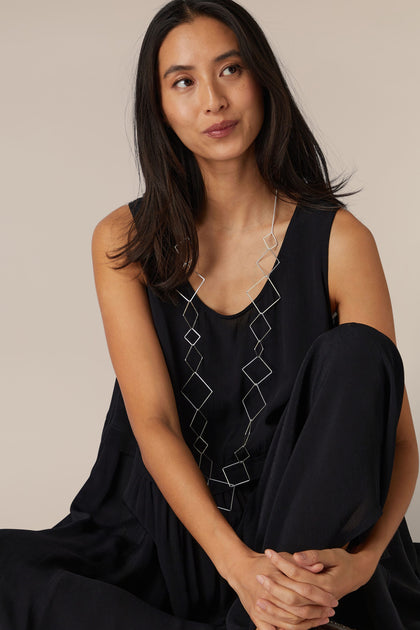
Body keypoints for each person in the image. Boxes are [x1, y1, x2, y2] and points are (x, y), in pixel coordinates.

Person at [1, 0, 419, 629]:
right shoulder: (124, 240)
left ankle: (275, 613)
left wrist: (361, 566)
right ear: (161, 107)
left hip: (293, 539)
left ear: (261, 79)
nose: (213, 101)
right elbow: (154, 424)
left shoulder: (339, 241)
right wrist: (237, 568)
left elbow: (397, 441)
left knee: (359, 354)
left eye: (230, 70)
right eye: (184, 81)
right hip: (170, 537)